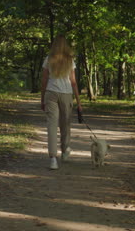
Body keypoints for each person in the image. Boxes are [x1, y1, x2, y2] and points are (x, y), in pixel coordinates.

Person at [41, 35, 82, 170]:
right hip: (66, 94)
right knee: (65, 124)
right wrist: (79, 102)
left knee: (52, 126)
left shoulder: (48, 59)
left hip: (51, 93)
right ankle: (65, 151)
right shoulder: (70, 61)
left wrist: (42, 98)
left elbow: (44, 80)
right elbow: (74, 82)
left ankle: (53, 159)